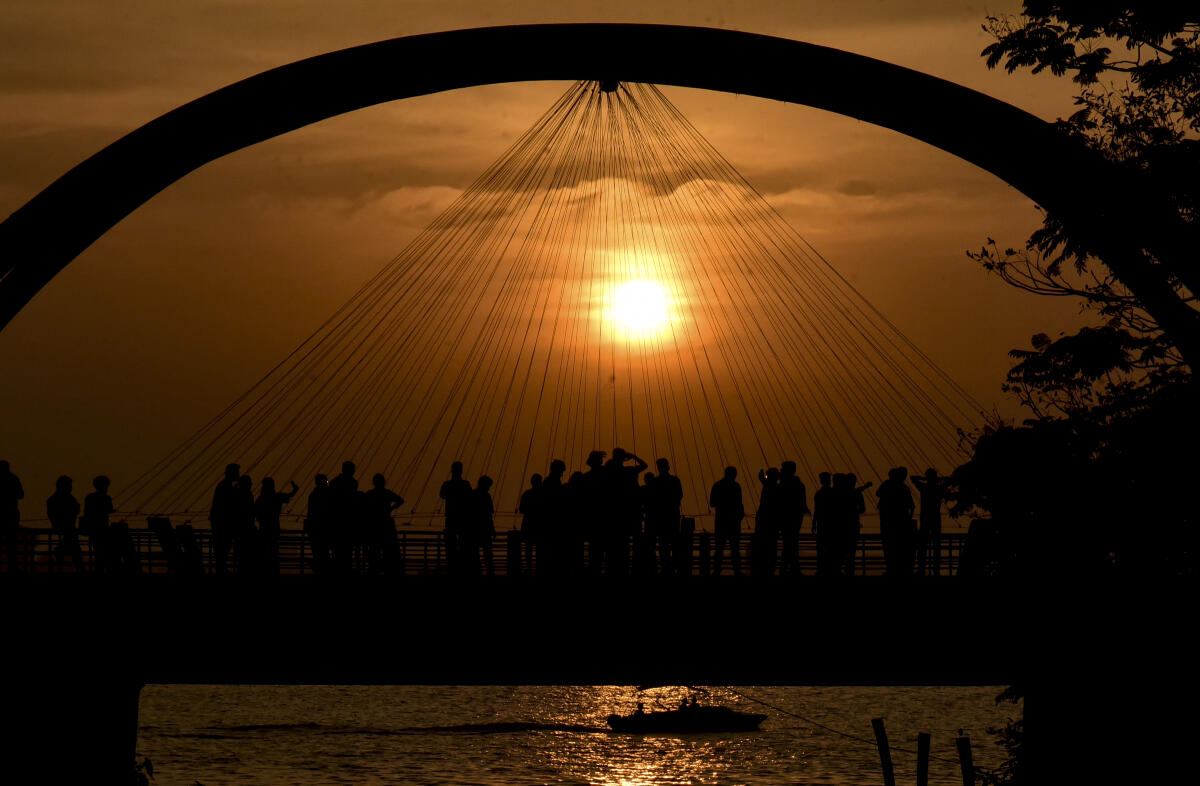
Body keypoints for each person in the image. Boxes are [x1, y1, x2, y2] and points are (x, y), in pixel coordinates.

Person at [877, 467, 916, 576]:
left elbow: (878, 494)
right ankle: (897, 568)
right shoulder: (904, 488)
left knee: (888, 544)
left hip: (888, 521)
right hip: (900, 521)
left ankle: (891, 567)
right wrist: (908, 518)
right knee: (898, 546)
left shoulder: (887, 485)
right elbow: (912, 506)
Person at [363, 473, 404, 575]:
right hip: (386, 523)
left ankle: (373, 569)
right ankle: (388, 568)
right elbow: (400, 500)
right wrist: (391, 508)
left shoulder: (370, 494)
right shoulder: (387, 493)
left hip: (374, 524)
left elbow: (364, 506)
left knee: (374, 548)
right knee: (388, 548)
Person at [255, 477, 299, 574]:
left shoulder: (261, 499)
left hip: (264, 527)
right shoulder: (277, 497)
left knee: (264, 551)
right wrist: (295, 488)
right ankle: (274, 569)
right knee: (274, 550)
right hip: (274, 526)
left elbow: (256, 513)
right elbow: (291, 494)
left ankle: (265, 569)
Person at [911, 468, 950, 576]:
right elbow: (948, 480)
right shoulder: (939, 488)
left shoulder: (924, 487)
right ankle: (936, 569)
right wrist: (938, 479)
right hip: (936, 518)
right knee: (936, 545)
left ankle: (921, 568)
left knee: (923, 545)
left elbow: (912, 478)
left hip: (925, 517)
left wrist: (925, 479)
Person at [648, 458, 683, 576]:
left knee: (663, 544)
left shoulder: (655, 482)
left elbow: (652, 500)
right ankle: (674, 567)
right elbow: (679, 496)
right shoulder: (675, 480)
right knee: (674, 543)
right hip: (672, 516)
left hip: (660, 517)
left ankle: (665, 567)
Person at [710, 466, 744, 576]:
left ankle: (716, 570)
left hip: (721, 521)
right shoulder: (736, 486)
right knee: (735, 547)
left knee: (719, 547)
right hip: (734, 521)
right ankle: (737, 571)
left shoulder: (717, 486)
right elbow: (739, 503)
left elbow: (712, 503)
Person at [438, 461, 471, 575]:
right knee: (462, 544)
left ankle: (452, 567)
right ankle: (461, 567)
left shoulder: (447, 484)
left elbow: (442, 495)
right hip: (461, 518)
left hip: (452, 517)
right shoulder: (465, 485)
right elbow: (470, 499)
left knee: (452, 545)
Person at [777, 461, 809, 576]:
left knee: (788, 544)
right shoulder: (799, 485)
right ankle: (793, 568)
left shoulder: (783, 485)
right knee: (792, 543)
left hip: (787, 519)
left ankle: (786, 568)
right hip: (795, 519)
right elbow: (802, 504)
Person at [209, 463, 241, 574]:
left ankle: (221, 569)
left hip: (220, 523)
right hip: (223, 525)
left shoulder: (224, 485)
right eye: (237, 472)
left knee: (222, 549)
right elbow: (229, 505)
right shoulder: (226, 487)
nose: (238, 475)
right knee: (223, 547)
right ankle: (221, 569)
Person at [46, 475, 83, 571]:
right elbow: (75, 509)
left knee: (73, 547)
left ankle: (61, 550)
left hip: (63, 527)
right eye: (69, 485)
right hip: (68, 527)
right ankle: (61, 550)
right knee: (75, 548)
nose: (71, 488)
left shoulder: (53, 499)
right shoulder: (67, 498)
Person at [329, 461, 360, 573]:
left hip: (336, 521)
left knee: (338, 549)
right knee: (347, 549)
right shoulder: (353, 483)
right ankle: (345, 569)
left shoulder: (334, 482)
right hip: (348, 522)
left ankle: (339, 569)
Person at [81, 475, 114, 574]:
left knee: (99, 555)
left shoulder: (89, 498)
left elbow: (87, 512)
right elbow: (109, 510)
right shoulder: (107, 498)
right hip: (102, 532)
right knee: (105, 556)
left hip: (94, 532)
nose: (107, 488)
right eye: (106, 486)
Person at [753, 467, 781, 577]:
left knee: (763, 544)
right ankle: (770, 568)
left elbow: (763, 479)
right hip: (772, 522)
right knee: (772, 545)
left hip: (764, 521)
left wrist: (762, 475)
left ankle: (762, 567)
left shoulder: (768, 486)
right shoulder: (777, 488)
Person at [304, 474, 333, 574]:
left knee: (318, 552)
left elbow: (310, 512)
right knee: (324, 552)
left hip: (316, 528)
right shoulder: (329, 494)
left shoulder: (313, 495)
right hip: (326, 528)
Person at [467, 475, 496, 576]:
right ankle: (490, 572)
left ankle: (477, 571)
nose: (489, 488)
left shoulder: (472, 494)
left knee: (474, 554)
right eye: (488, 486)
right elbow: (489, 515)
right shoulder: (487, 497)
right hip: (485, 529)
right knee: (487, 554)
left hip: (474, 530)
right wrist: (493, 529)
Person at [1, 460, 24, 572]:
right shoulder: (13, 479)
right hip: (12, 513)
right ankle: (12, 566)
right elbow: (21, 494)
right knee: (12, 543)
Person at [518, 474, 544, 576]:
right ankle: (538, 569)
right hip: (539, 526)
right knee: (539, 549)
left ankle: (528, 568)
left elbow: (522, 510)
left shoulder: (527, 494)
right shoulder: (543, 495)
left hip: (528, 524)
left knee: (528, 548)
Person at [812, 472, 837, 576]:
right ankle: (830, 569)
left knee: (822, 548)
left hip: (823, 524)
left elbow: (817, 510)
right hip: (830, 524)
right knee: (830, 548)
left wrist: (814, 522)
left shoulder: (819, 494)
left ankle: (822, 569)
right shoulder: (834, 493)